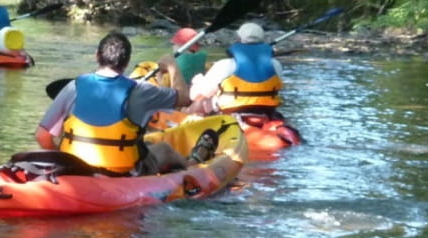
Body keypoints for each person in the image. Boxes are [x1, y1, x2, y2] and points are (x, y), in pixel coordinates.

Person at [33, 32, 208, 175]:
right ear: (126, 62)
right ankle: (192, 165)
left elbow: (42, 136)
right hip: (123, 172)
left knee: (146, 144)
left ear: (97, 56)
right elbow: (184, 98)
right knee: (163, 149)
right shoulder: (142, 90)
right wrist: (172, 66)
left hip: (77, 170)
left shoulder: (73, 86)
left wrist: (63, 158)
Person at [189, 22, 283, 117]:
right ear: (263, 40)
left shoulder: (224, 64)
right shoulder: (276, 65)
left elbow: (195, 95)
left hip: (230, 112)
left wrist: (197, 81)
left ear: (238, 39)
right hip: (266, 111)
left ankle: (186, 118)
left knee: (202, 97)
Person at [131, 27, 210, 85]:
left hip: (178, 93)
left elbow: (163, 88)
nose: (173, 46)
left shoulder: (175, 62)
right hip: (192, 88)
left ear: (180, 46)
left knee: (144, 66)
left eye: (174, 44)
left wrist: (159, 74)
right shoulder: (202, 58)